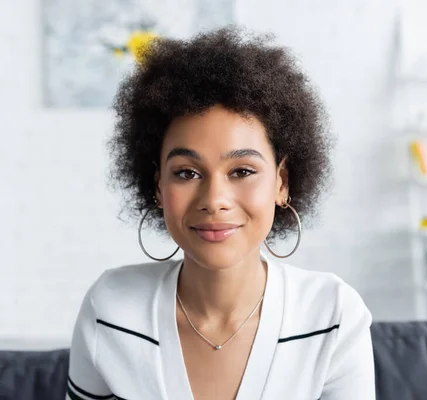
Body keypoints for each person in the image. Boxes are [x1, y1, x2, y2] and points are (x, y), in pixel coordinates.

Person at [66, 26, 375, 400]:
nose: (215, 199)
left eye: (242, 171)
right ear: (159, 187)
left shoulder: (333, 316)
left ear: (282, 182)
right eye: (186, 173)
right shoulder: (111, 309)